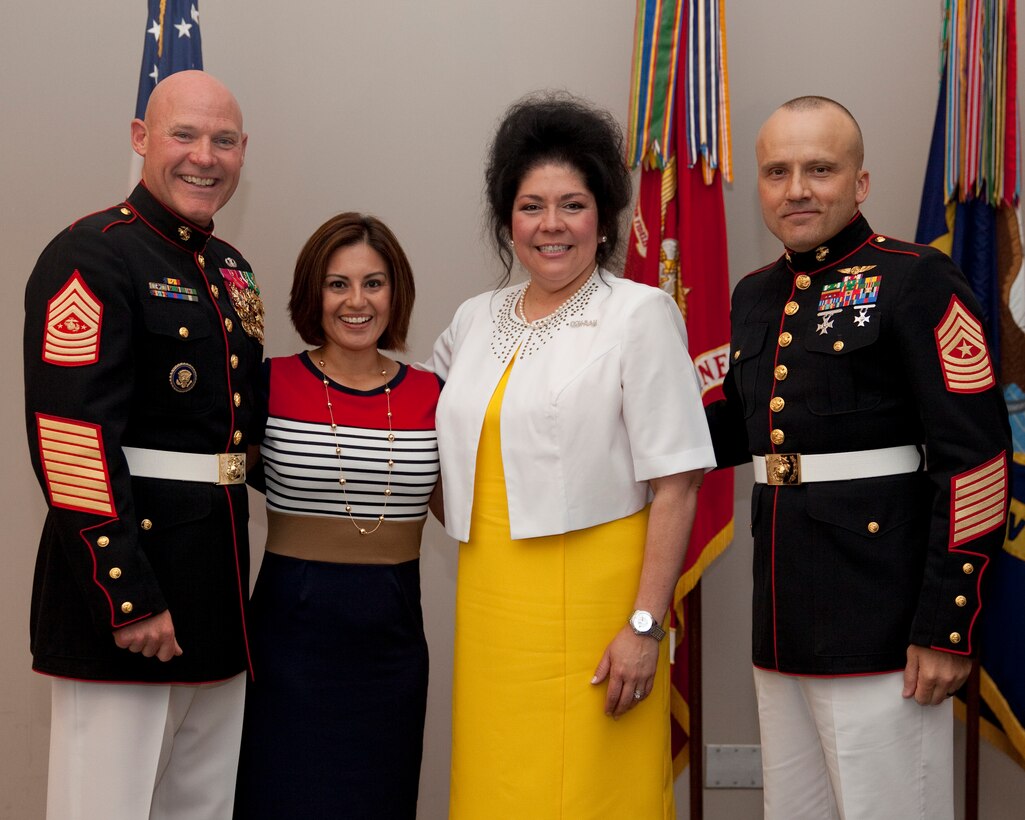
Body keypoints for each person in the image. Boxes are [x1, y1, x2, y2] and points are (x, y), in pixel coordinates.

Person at [706, 95, 1011, 820]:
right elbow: (732, 430)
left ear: (859, 182)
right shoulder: (755, 296)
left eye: (819, 168)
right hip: (780, 619)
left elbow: (975, 462)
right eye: (776, 171)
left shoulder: (915, 280)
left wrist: (946, 626)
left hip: (883, 623)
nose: (796, 188)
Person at [424, 93, 715, 818]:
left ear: (604, 219)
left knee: (591, 792)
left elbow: (677, 483)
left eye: (572, 204)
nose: (550, 225)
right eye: (530, 206)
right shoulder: (473, 318)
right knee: (499, 783)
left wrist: (645, 627)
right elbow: (428, 444)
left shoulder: (639, 314)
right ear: (505, 221)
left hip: (598, 607)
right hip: (490, 600)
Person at [23, 71, 261, 820]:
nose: (205, 156)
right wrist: (123, 592)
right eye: (184, 135)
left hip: (215, 595)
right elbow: (71, 440)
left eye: (223, 140)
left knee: (201, 806)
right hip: (132, 596)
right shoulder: (91, 254)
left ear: (242, 151)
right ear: (140, 140)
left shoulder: (228, 271)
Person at [233, 213, 441, 819]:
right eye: (337, 284)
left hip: (392, 654)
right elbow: (212, 487)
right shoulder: (267, 384)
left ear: (395, 292)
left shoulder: (433, 394)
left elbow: (475, 511)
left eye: (373, 283)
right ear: (312, 294)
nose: (356, 301)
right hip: (287, 649)